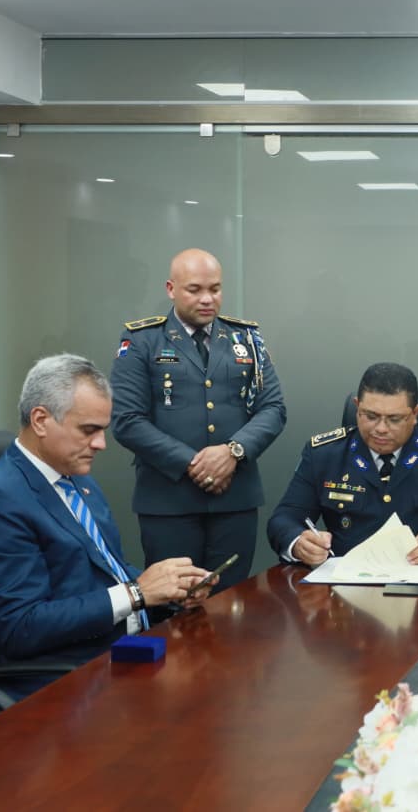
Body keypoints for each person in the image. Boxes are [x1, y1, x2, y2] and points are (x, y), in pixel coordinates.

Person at [0, 354, 211, 697]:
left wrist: (171, 591)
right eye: (88, 430)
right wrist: (137, 593)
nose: (101, 444)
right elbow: (20, 627)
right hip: (68, 686)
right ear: (41, 420)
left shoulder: (75, 479)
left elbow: (105, 573)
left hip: (124, 656)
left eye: (102, 430)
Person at [110, 248, 286, 591]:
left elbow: (273, 408)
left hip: (235, 500)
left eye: (215, 289)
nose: (207, 299)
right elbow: (127, 420)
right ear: (171, 289)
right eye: (195, 290)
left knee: (233, 603)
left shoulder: (246, 339)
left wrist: (232, 452)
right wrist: (195, 463)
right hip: (169, 502)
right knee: (175, 604)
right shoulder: (143, 340)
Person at [267, 363, 418, 565]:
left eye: (394, 419)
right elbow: (284, 519)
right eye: (370, 416)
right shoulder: (324, 454)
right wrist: (299, 543)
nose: (381, 429)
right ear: (357, 406)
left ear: (415, 413)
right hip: (346, 583)